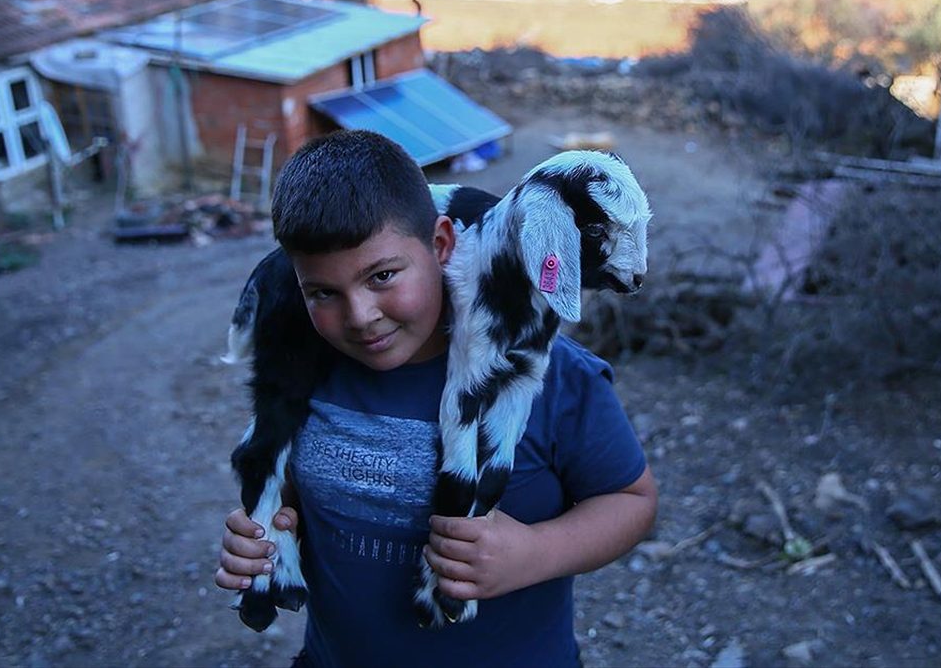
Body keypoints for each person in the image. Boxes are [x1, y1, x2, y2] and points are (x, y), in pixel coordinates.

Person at [214, 130, 656, 667]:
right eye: (323, 292)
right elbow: (296, 489)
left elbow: (632, 502)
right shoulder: (314, 367)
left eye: (382, 276)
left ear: (441, 244)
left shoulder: (552, 380)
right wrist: (272, 527)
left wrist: (534, 554)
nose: (360, 316)